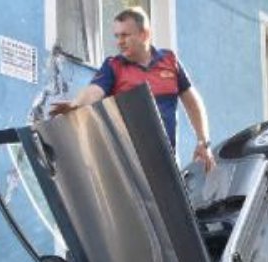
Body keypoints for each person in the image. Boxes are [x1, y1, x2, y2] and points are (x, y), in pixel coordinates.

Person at [49, 7, 216, 171]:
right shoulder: (113, 66)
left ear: (145, 34)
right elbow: (94, 91)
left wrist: (203, 141)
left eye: (125, 35)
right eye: (117, 36)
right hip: (129, 167)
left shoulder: (169, 61)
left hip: (167, 164)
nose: (119, 42)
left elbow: (192, 102)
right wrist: (76, 104)